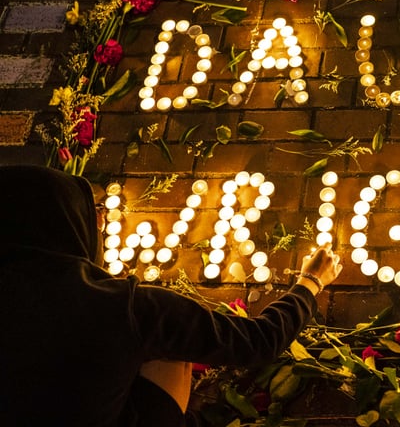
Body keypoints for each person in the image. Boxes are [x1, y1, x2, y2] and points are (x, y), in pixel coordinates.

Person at [0, 165, 342, 427]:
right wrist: (311, 282)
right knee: (170, 351)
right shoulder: (122, 305)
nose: (102, 225)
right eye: (96, 215)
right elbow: (257, 342)